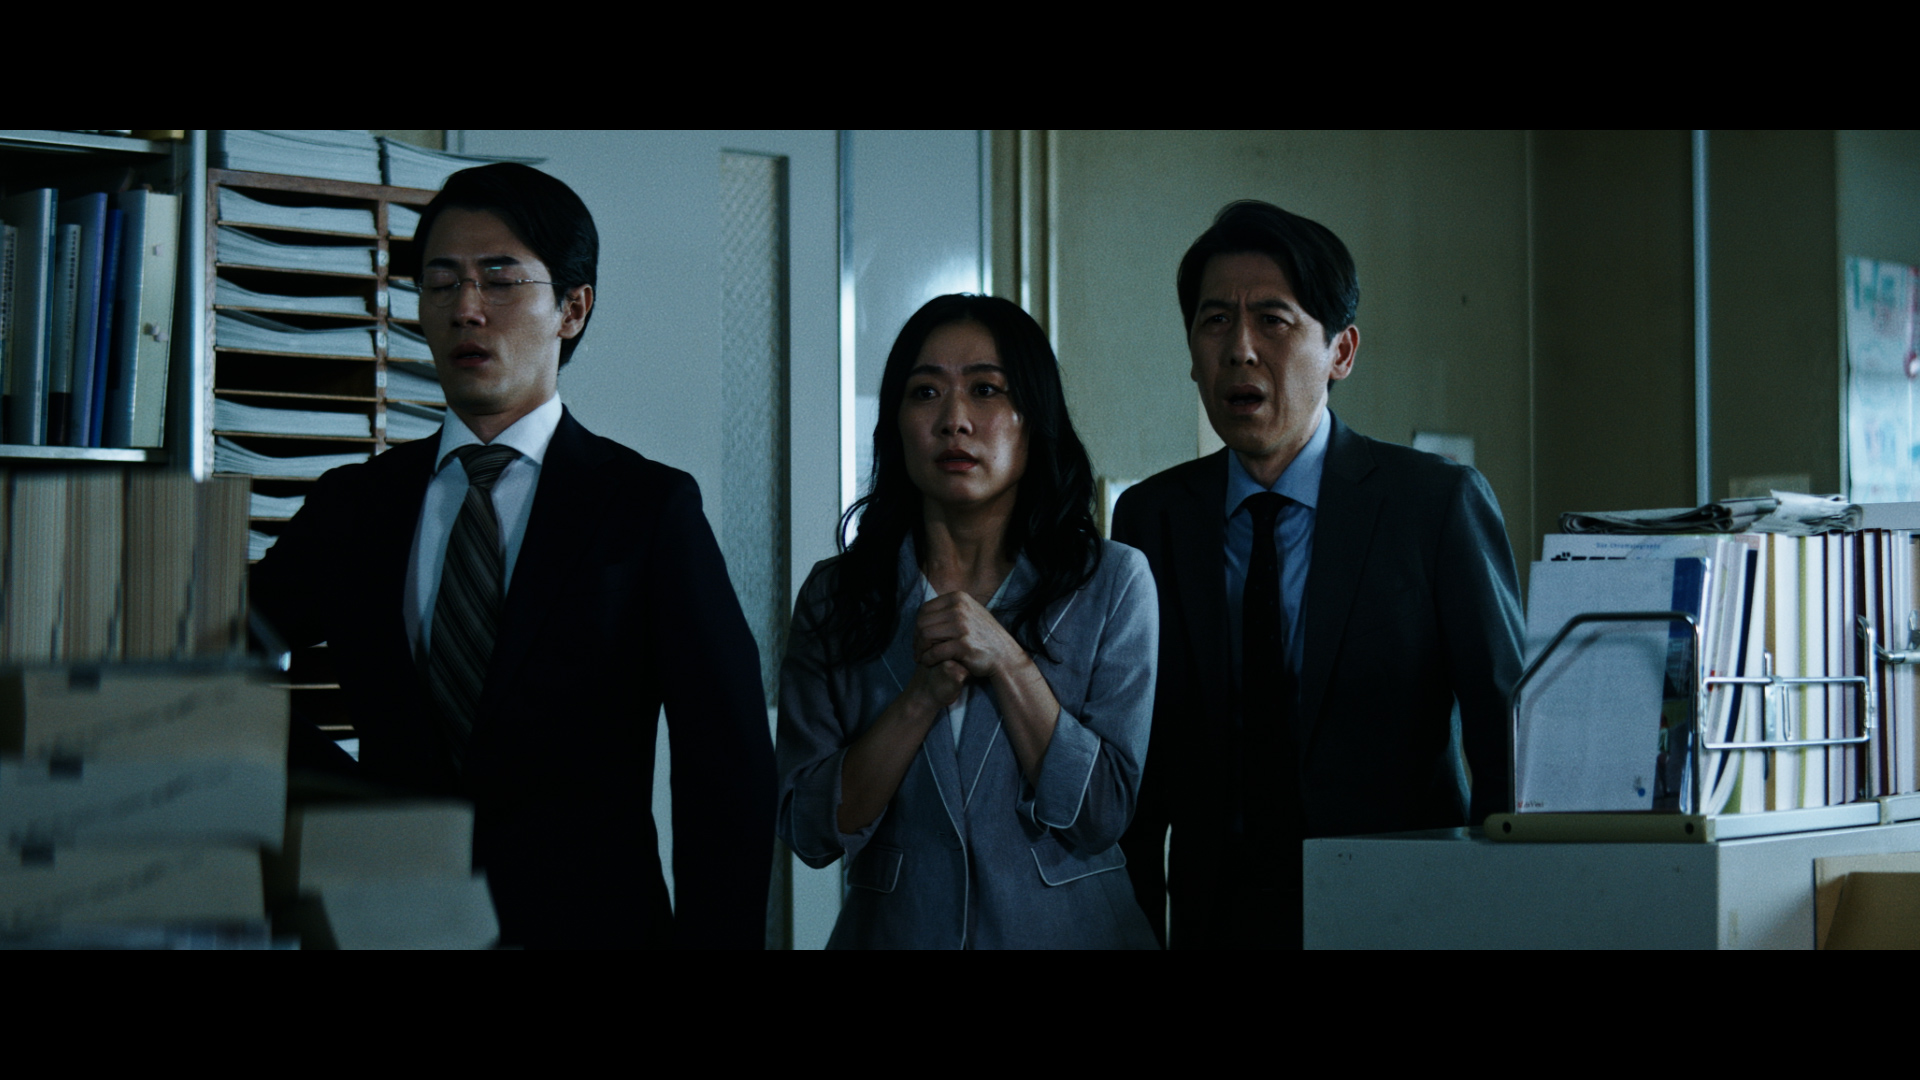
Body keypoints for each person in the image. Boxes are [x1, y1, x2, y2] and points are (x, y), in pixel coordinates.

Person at [251, 163, 775, 949]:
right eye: (441, 283)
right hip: (390, 923)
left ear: (573, 307)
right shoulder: (354, 507)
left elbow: (725, 768)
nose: (466, 308)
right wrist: (346, 796)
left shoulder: (645, 510)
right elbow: (211, 664)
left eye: (498, 281)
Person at [1115, 200, 1524, 949]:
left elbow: (1508, 739)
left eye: (1273, 320)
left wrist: (1496, 915)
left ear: (1341, 351)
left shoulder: (1433, 505)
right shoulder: (1154, 517)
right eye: (1215, 321)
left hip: (1402, 916)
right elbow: (1140, 767)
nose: (1240, 349)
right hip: (1218, 924)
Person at [777, 293, 1160, 949]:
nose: (954, 420)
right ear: (895, 424)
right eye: (925, 393)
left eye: (986, 390)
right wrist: (919, 699)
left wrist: (1009, 662)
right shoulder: (837, 596)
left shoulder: (1112, 583)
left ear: (1033, 416)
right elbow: (811, 831)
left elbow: (1102, 813)